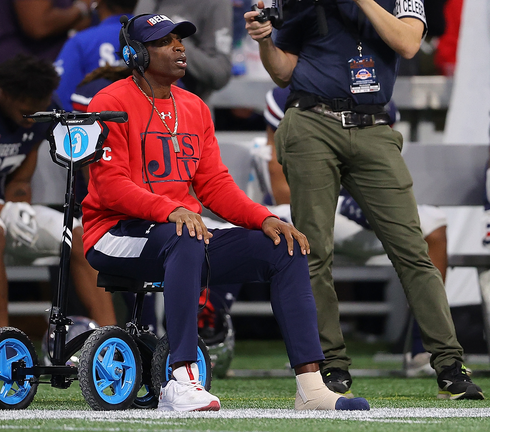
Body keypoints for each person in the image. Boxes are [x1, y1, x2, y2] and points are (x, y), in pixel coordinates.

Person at [80, 13, 370, 412]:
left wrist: (264, 218)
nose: (180, 48)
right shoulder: (109, 102)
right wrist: (171, 211)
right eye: (166, 42)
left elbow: (214, 184)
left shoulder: (195, 107)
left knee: (284, 248)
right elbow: (109, 187)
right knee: (185, 233)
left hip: (179, 235)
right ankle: (181, 379)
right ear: (136, 53)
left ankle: (311, 386)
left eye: (181, 40)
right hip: (115, 235)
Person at [245, 1, 484, 400]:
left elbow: (407, 44)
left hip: (374, 126)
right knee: (314, 251)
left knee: (412, 249)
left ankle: (448, 365)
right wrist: (267, 41)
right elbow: (284, 71)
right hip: (311, 120)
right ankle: (331, 366)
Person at [0, 54, 117, 334]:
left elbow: (20, 179)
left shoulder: (45, 108)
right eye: (25, 110)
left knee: (77, 234)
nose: (31, 118)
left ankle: (112, 337)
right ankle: (1, 341)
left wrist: (18, 205)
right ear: (3, 93)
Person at [133, 0, 233, 100]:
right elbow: (133, 47)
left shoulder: (215, 3)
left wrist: (171, 39)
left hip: (190, 106)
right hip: (141, 101)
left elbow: (220, 73)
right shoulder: (147, 3)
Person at [53, 0, 138, 109]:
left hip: (90, 122)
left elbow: (59, 98)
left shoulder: (81, 41)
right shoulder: (152, 37)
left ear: (99, 2)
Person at [0, 0, 97, 71]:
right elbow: (38, 26)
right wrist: (82, 7)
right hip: (19, 78)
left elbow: (81, 23)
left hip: (45, 71)